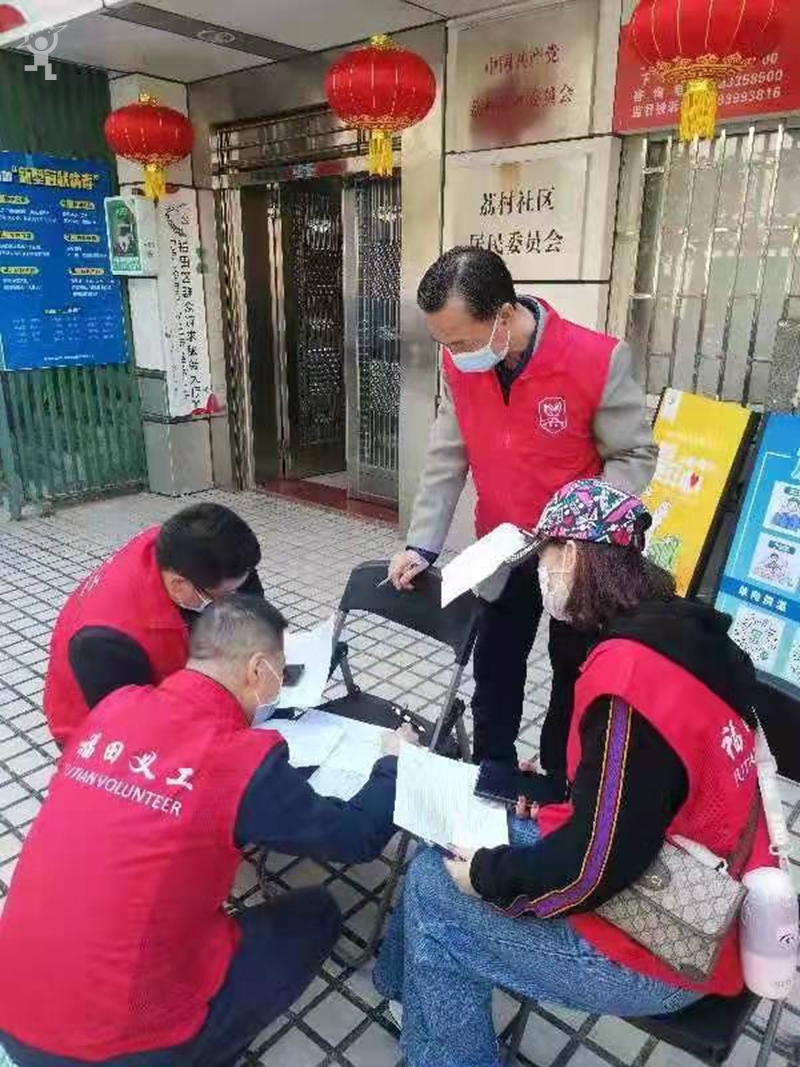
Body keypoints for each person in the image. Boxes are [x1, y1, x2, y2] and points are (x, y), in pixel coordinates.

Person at [375, 478, 775, 1067]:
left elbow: (592, 869)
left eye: (546, 556)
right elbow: (646, 789)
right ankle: (415, 999)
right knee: (449, 840)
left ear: (576, 556)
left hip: (673, 938)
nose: (541, 572)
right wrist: (569, 784)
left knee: (438, 890)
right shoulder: (681, 632)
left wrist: (486, 876)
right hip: (685, 871)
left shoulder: (631, 676)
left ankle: (436, 1024)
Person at [0, 594, 415, 1067]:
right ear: (257, 669)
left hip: (12, 1002)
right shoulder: (239, 760)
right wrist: (394, 764)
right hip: (113, 1045)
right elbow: (356, 837)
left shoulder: (115, 706)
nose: (280, 683)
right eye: (281, 672)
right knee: (316, 914)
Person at [388, 247, 657, 788]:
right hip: (503, 547)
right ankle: (493, 774)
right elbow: (447, 454)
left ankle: (560, 780)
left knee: (573, 672)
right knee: (494, 670)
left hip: (576, 558)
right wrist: (421, 544)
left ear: (505, 316)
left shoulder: (597, 358)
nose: (452, 355)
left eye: (461, 341)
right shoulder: (460, 362)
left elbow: (634, 455)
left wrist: (580, 520)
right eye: (443, 343)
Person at [43, 502, 266, 748]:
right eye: (226, 595)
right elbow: (134, 731)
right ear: (179, 585)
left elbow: (245, 589)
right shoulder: (105, 642)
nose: (235, 600)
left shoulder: (181, 545)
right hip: (97, 731)